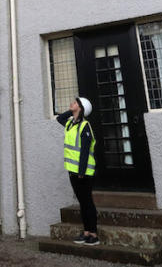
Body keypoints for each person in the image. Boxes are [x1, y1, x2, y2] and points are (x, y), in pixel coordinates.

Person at [57, 96, 99, 245]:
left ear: (80, 108)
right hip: (72, 171)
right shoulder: (70, 123)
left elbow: (85, 151)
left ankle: (93, 234)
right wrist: (71, 110)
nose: (71, 104)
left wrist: (81, 172)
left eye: (75, 103)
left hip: (84, 172)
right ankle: (86, 232)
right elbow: (59, 118)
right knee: (82, 202)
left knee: (87, 202)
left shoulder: (85, 126)